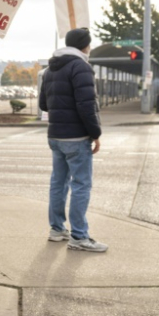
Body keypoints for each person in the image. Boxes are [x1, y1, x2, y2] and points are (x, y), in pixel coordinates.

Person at [39, 27, 106, 252]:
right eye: (89, 43)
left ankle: (57, 229)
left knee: (58, 183)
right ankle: (79, 236)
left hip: (55, 136)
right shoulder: (81, 66)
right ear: (84, 45)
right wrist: (95, 133)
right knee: (81, 185)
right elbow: (87, 105)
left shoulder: (50, 69)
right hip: (76, 137)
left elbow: (43, 105)